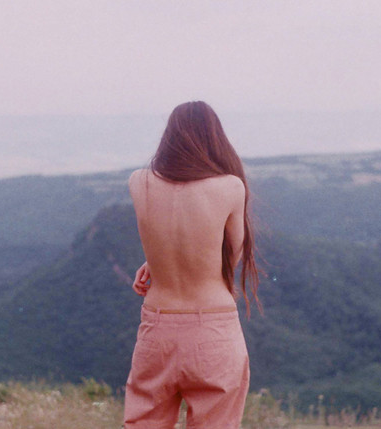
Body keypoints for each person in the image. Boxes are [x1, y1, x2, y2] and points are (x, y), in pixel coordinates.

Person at [124, 101, 260, 429]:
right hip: (213, 328)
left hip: (158, 326)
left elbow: (167, 234)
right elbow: (231, 255)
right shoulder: (231, 186)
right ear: (214, 138)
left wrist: (155, 262)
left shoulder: (139, 182)